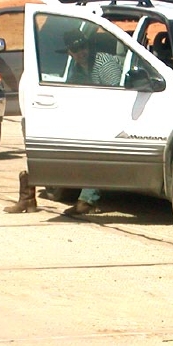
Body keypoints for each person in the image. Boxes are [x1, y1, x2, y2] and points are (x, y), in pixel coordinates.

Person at [63, 29, 123, 215]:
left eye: (83, 46)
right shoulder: (77, 67)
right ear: (70, 53)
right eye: (76, 49)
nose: (82, 52)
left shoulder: (103, 62)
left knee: (95, 148)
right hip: (94, 116)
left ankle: (87, 200)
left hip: (117, 116)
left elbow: (119, 96)